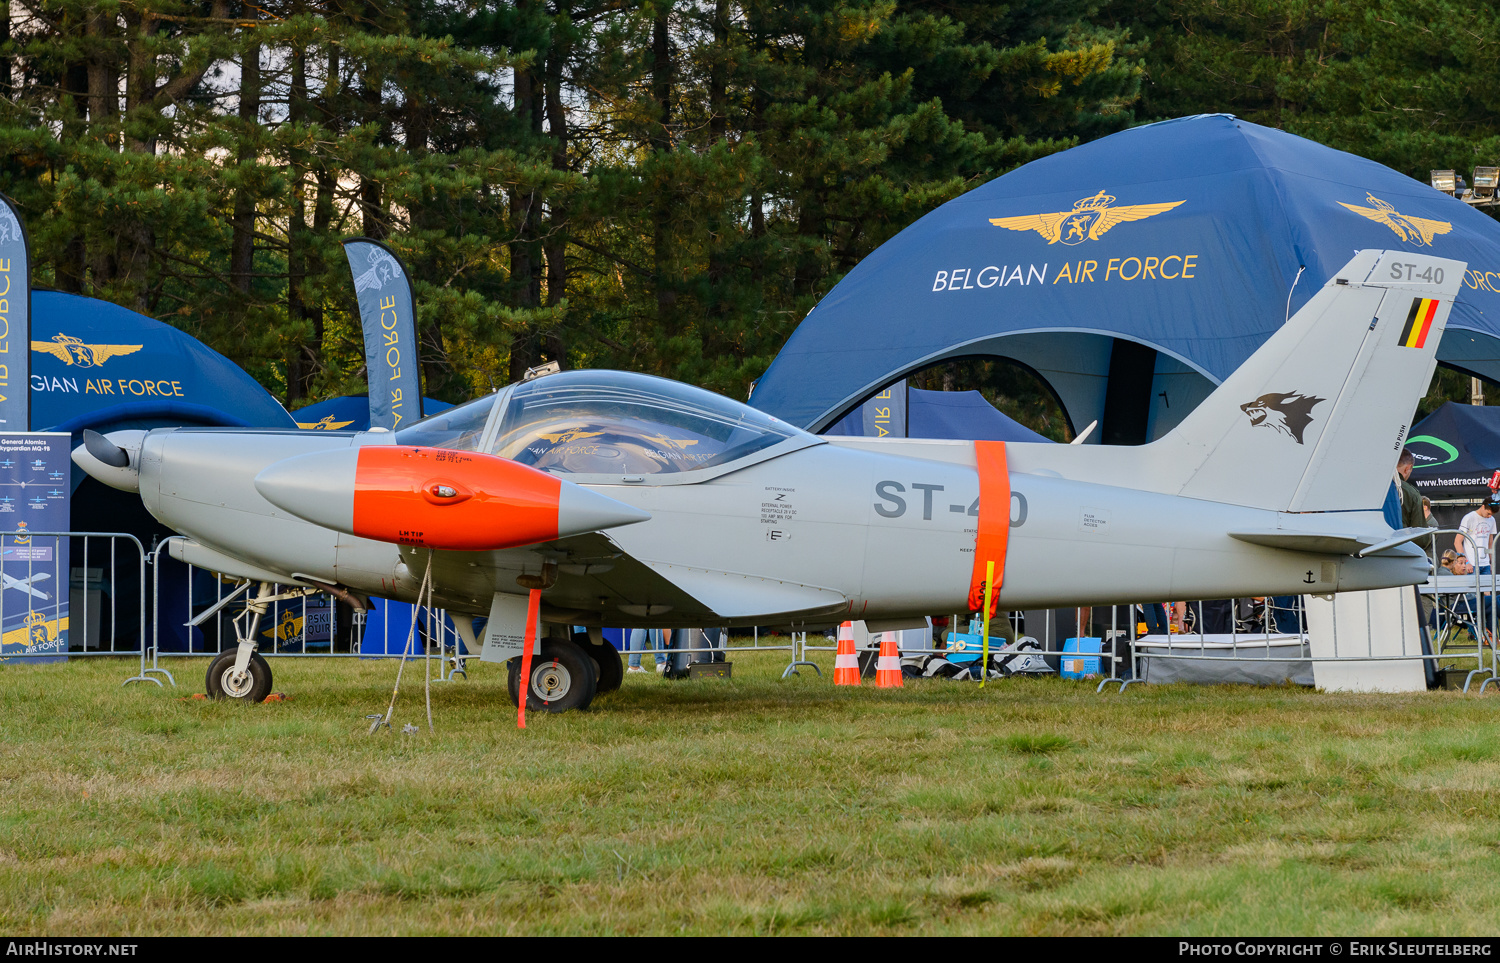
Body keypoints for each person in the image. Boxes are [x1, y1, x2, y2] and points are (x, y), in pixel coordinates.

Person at [1397, 449, 1433, 553]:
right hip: (1401, 552)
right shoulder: (1411, 493)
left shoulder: (1374, 487)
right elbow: (1420, 538)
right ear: (1407, 468)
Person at [1456, 495, 1499, 575]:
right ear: (1483, 507)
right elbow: (1457, 542)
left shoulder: (1492, 520)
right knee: (1472, 587)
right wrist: (1466, 562)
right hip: (1471, 564)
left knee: (1487, 587)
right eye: (1488, 513)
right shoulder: (1469, 518)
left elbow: (1490, 542)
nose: (1490, 516)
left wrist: (1492, 562)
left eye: (1492, 514)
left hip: (1486, 564)